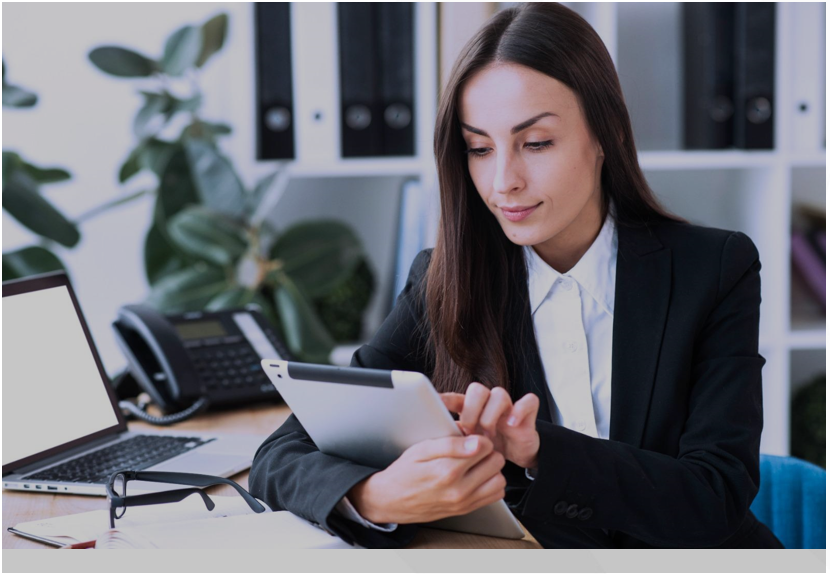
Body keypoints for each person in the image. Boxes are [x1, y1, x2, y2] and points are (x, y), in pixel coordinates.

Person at [249, 3, 784, 549]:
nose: (503, 180)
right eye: (480, 148)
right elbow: (280, 456)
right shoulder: (444, 281)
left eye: (535, 143)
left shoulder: (714, 269)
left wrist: (538, 450)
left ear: (607, 136)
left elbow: (714, 496)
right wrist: (375, 497)